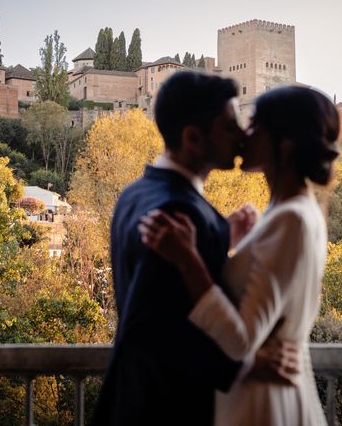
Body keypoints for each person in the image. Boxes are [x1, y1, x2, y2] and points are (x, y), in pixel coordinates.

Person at [91, 71, 298, 426]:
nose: (241, 136)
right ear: (193, 137)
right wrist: (245, 366)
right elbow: (157, 329)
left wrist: (221, 235)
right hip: (166, 411)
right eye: (229, 126)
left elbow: (161, 295)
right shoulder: (180, 211)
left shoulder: (135, 193)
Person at [140, 85, 341, 425]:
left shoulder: (290, 219)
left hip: (261, 405)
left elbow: (241, 341)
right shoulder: (294, 212)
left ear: (285, 144)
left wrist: (188, 259)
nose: (244, 133)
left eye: (256, 125)